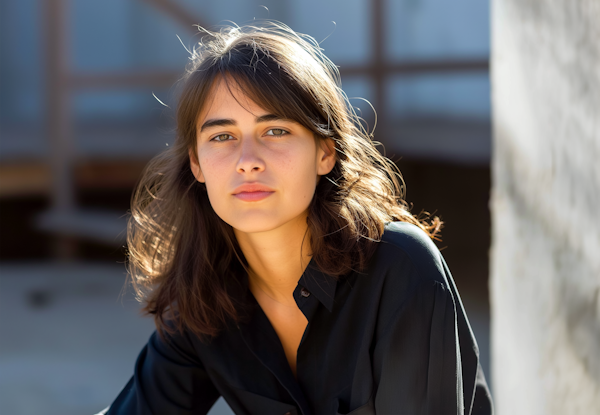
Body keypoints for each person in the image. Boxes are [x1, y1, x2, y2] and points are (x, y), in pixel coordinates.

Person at [101, 21, 493, 415]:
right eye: (222, 137)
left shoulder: (400, 268)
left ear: (325, 153)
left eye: (275, 131)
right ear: (197, 164)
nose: (248, 162)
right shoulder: (206, 297)